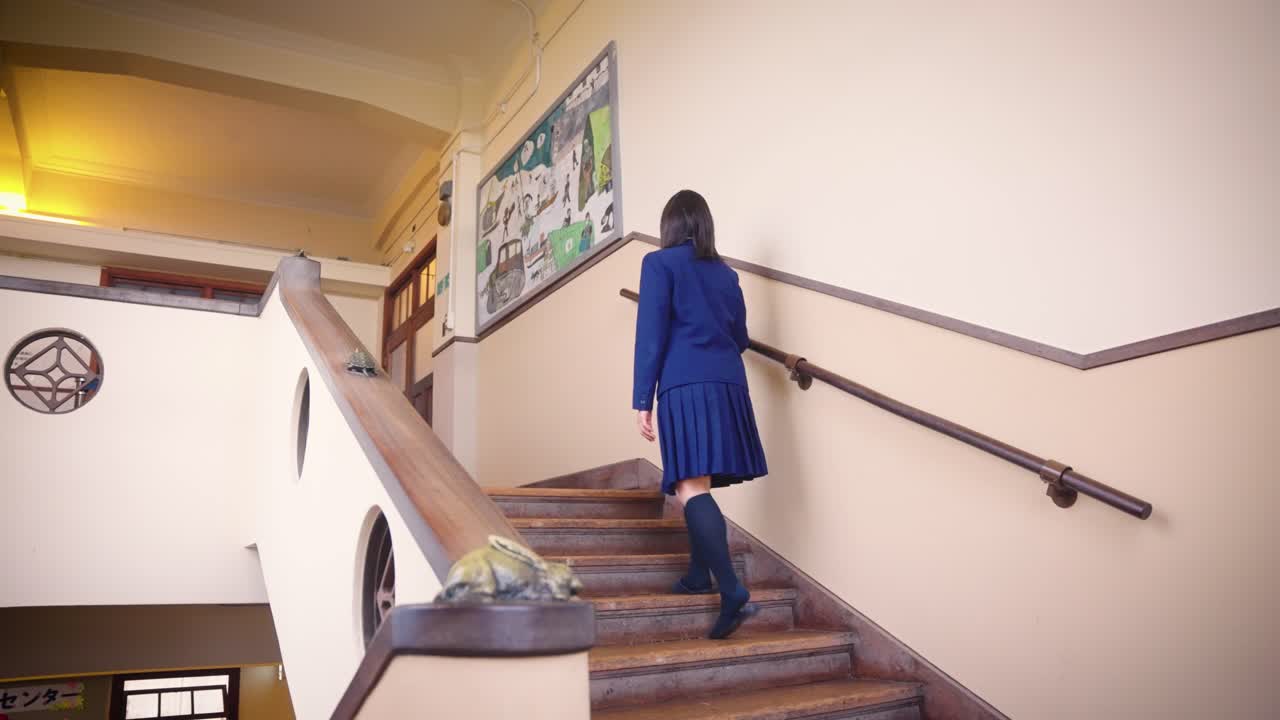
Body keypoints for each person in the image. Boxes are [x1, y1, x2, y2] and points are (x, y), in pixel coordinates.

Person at [633, 189, 769, 640]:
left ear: (670, 225)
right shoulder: (727, 275)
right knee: (700, 483)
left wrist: (641, 399)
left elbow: (651, 337)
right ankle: (698, 573)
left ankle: (731, 589)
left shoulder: (659, 265)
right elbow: (741, 337)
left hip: (685, 386)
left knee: (690, 486)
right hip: (729, 384)